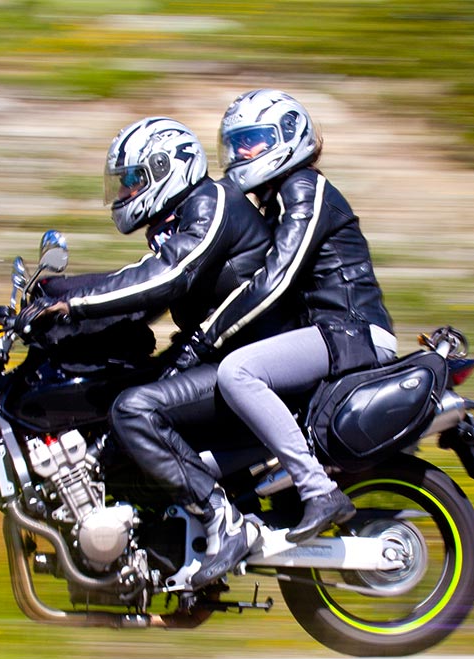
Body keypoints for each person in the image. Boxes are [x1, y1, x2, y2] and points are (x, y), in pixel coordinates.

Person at [36, 116, 280, 590]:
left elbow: (167, 278)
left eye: (132, 181)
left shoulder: (213, 204)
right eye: (121, 183)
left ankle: (222, 519)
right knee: (119, 390)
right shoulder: (178, 218)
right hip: (219, 353)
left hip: (254, 361)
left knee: (134, 409)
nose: (124, 193)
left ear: (168, 168)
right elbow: (146, 290)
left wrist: (72, 301)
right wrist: (59, 297)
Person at [169, 89, 398, 543]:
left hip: (350, 331)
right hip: (324, 335)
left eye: (252, 140)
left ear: (288, 137)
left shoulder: (305, 189)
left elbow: (275, 279)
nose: (240, 153)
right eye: (235, 143)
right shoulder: (275, 202)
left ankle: (320, 491)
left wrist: (204, 338)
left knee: (239, 372)